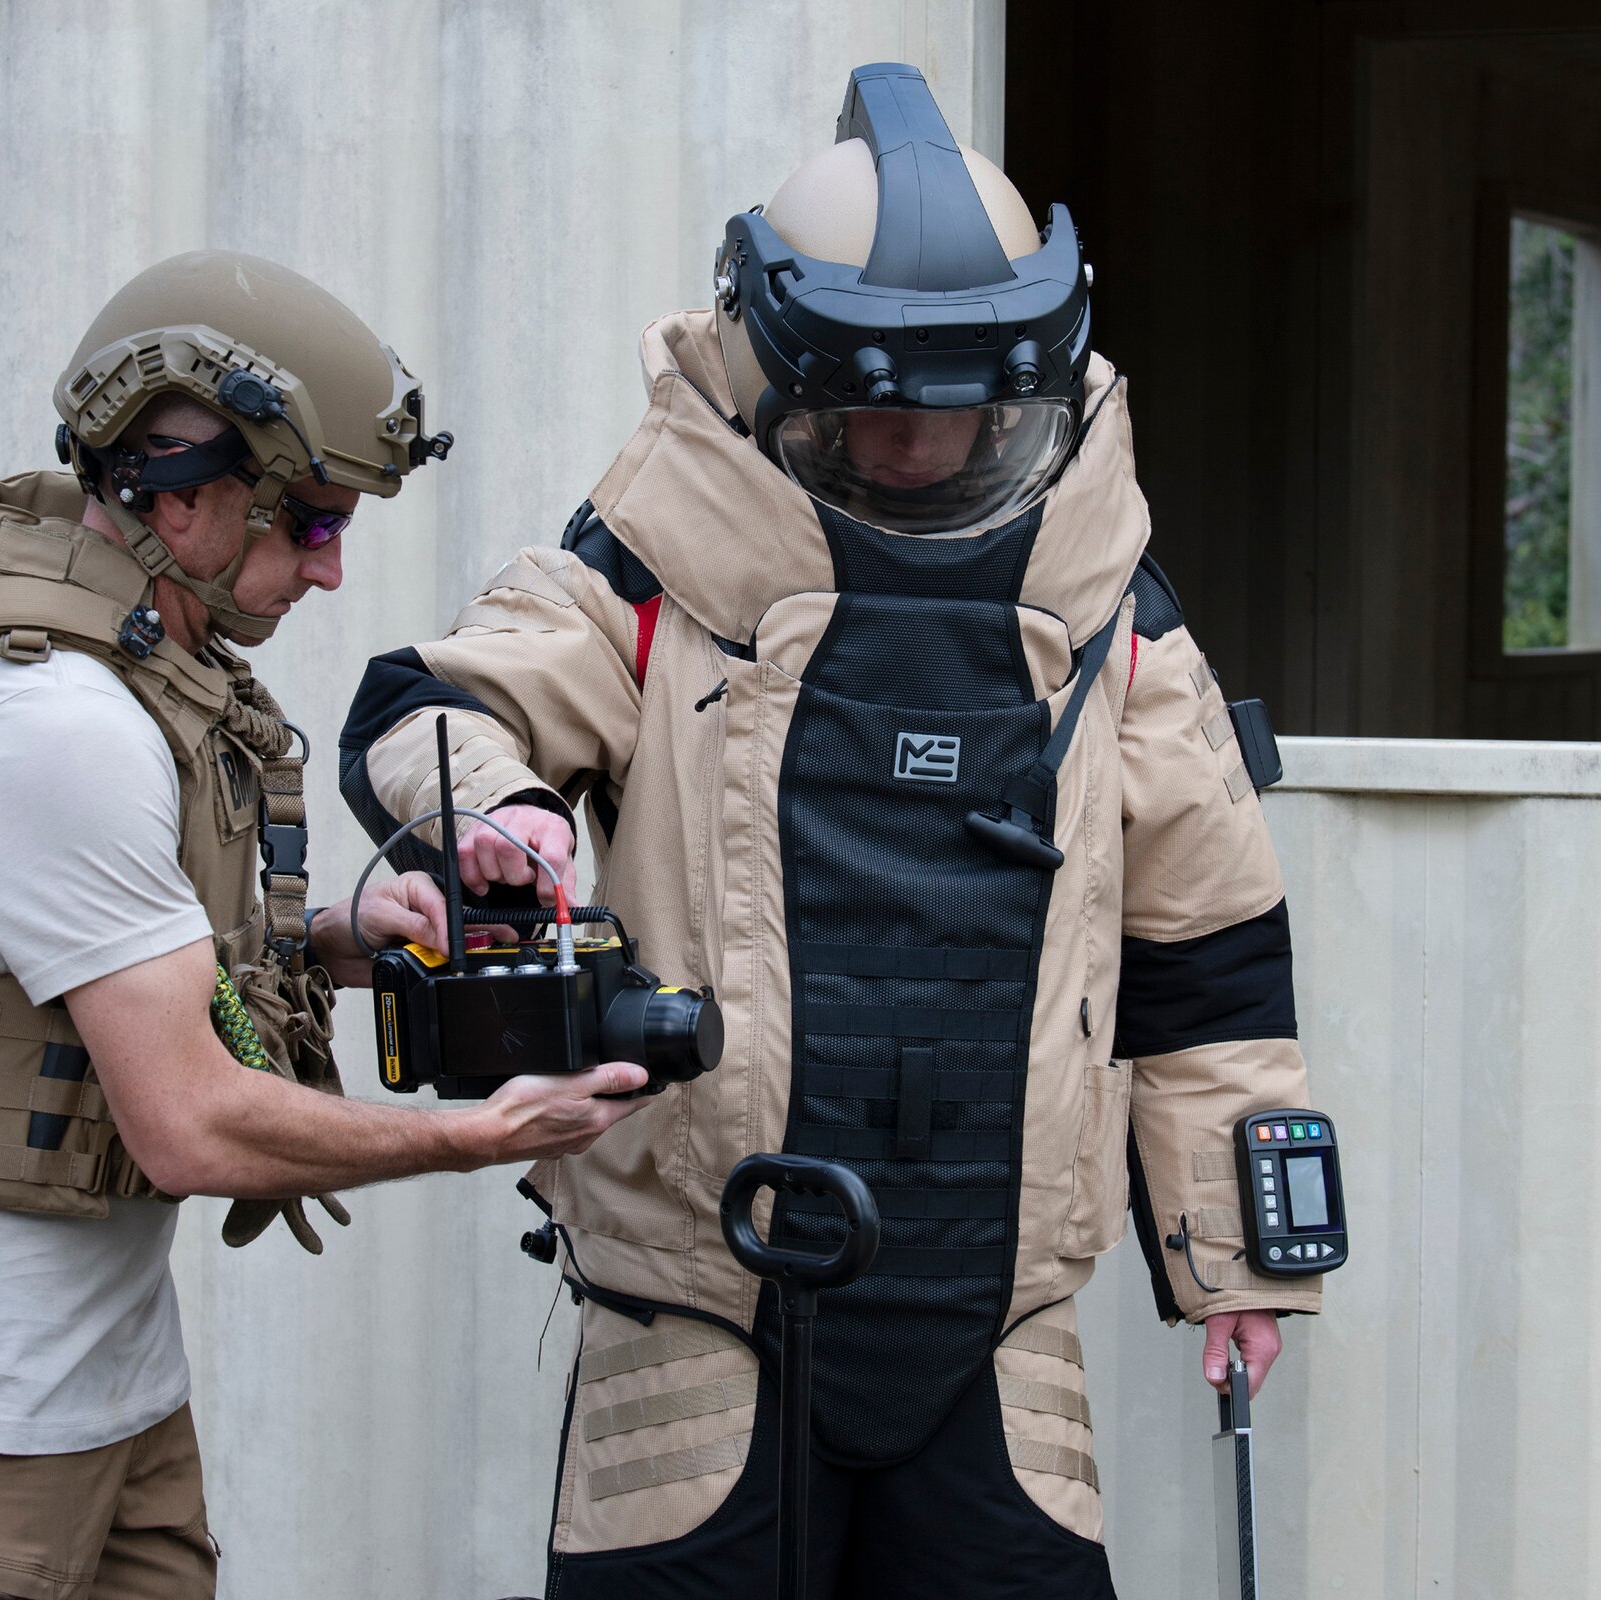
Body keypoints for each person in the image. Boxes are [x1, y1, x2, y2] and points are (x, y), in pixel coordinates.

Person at [341, 65, 1322, 1599]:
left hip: (995, 1334)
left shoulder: (1110, 618)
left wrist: (1240, 1267)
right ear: (771, 376)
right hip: (697, 1315)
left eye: (964, 418)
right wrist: (503, 813)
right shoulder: (652, 574)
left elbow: (1212, 959)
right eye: (869, 417)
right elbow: (432, 710)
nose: (919, 452)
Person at [0, 248, 646, 1599]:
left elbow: (116, 962)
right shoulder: (48, 722)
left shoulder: (136, 683)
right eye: (313, 523)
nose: (331, 573)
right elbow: (192, 1122)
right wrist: (474, 1137)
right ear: (183, 495)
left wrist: (344, 938)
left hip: (96, 1387)